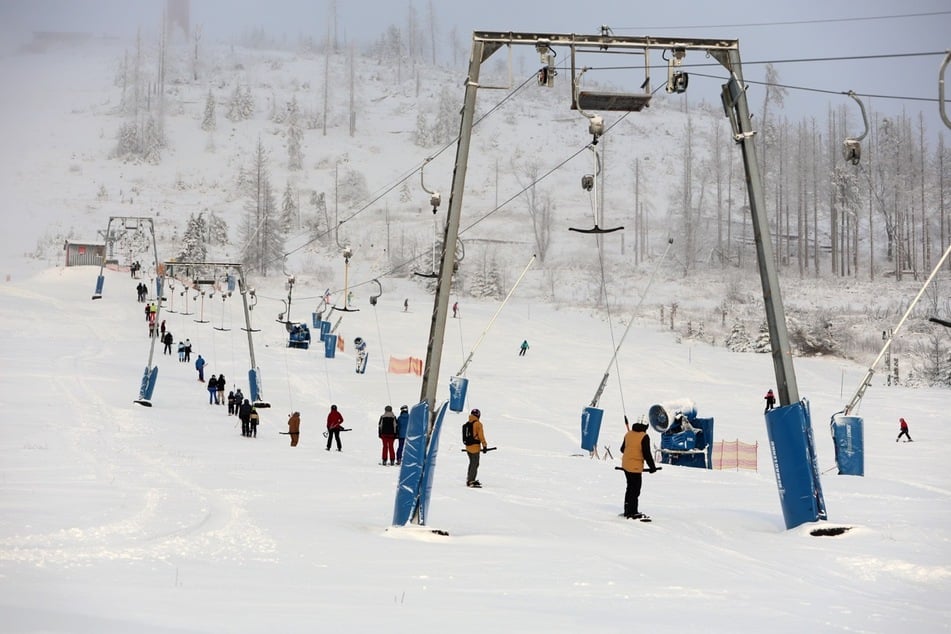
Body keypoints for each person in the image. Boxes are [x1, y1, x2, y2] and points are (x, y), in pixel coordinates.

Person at [619, 418, 657, 519]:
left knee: (630, 487)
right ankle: (632, 512)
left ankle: (627, 510)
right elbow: (647, 454)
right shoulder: (644, 436)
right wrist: (652, 467)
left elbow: (622, 449)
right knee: (635, 489)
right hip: (635, 467)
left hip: (626, 465)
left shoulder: (628, 434)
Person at [463, 408, 488, 487]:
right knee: (475, 464)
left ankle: (469, 479)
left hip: (468, 447)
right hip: (475, 447)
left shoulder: (467, 423)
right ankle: (471, 480)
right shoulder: (478, 424)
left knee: (471, 463)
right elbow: (481, 436)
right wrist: (484, 445)